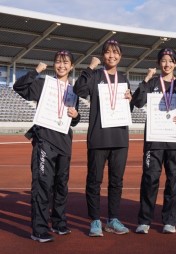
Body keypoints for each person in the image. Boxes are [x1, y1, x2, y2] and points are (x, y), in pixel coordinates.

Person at [13, 50, 80, 242]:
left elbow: (75, 120)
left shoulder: (73, 90)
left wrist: (76, 116)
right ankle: (39, 229)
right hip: (45, 141)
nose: (62, 65)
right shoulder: (44, 84)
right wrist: (35, 71)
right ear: (53, 65)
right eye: (58, 62)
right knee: (42, 185)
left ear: (71, 66)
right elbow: (19, 87)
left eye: (66, 62)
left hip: (64, 143)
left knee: (61, 186)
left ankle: (59, 223)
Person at [131, 48, 176, 234]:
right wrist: (144, 80)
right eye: (163, 60)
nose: (167, 64)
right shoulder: (151, 84)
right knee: (150, 179)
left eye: (170, 61)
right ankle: (144, 220)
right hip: (154, 140)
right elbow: (138, 102)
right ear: (159, 63)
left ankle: (169, 219)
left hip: (174, 140)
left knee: (173, 180)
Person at [74, 39, 132, 237]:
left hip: (120, 138)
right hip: (99, 137)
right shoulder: (95, 75)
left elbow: (127, 109)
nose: (112, 56)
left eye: (115, 52)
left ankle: (113, 219)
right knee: (94, 181)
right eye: (108, 52)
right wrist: (90, 67)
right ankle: (95, 220)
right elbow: (78, 90)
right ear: (103, 55)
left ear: (120, 56)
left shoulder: (124, 78)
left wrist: (130, 100)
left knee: (116, 182)